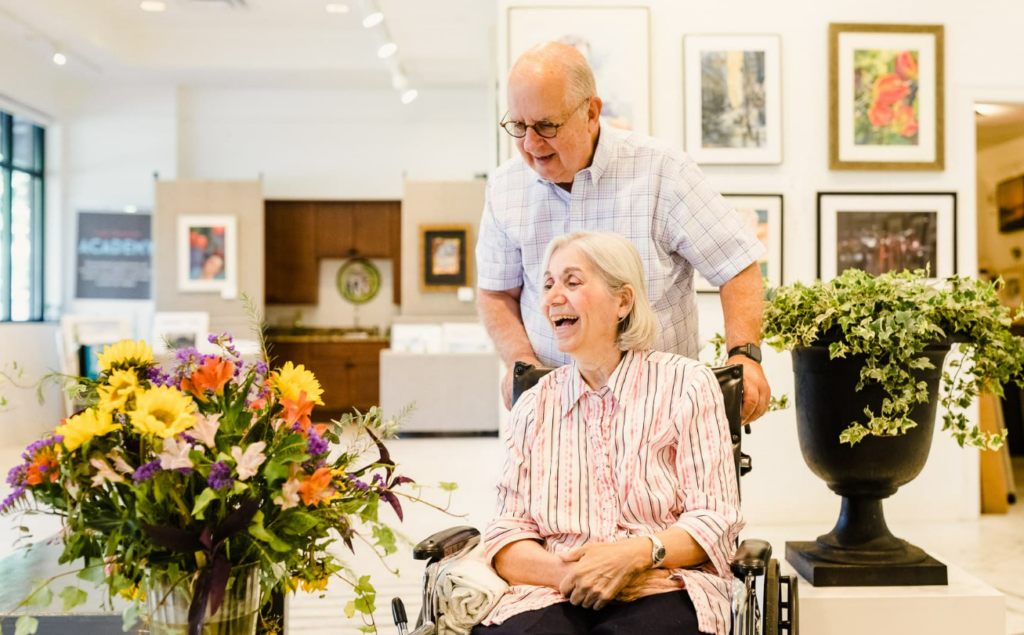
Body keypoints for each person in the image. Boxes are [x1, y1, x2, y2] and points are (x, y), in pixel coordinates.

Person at [476, 41, 770, 424]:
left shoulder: (663, 171)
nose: (531, 144)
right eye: (518, 126)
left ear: (592, 113)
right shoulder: (505, 188)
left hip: (664, 409)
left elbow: (737, 266)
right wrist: (521, 362)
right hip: (558, 409)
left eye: (547, 126)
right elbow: (496, 292)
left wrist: (744, 355)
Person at [474, 232, 742, 635]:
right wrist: (580, 574)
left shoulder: (687, 384)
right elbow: (507, 534)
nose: (552, 297)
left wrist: (633, 556)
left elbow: (715, 520)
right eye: (547, 285)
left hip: (661, 585)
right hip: (553, 589)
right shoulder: (534, 404)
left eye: (572, 281)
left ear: (623, 301)